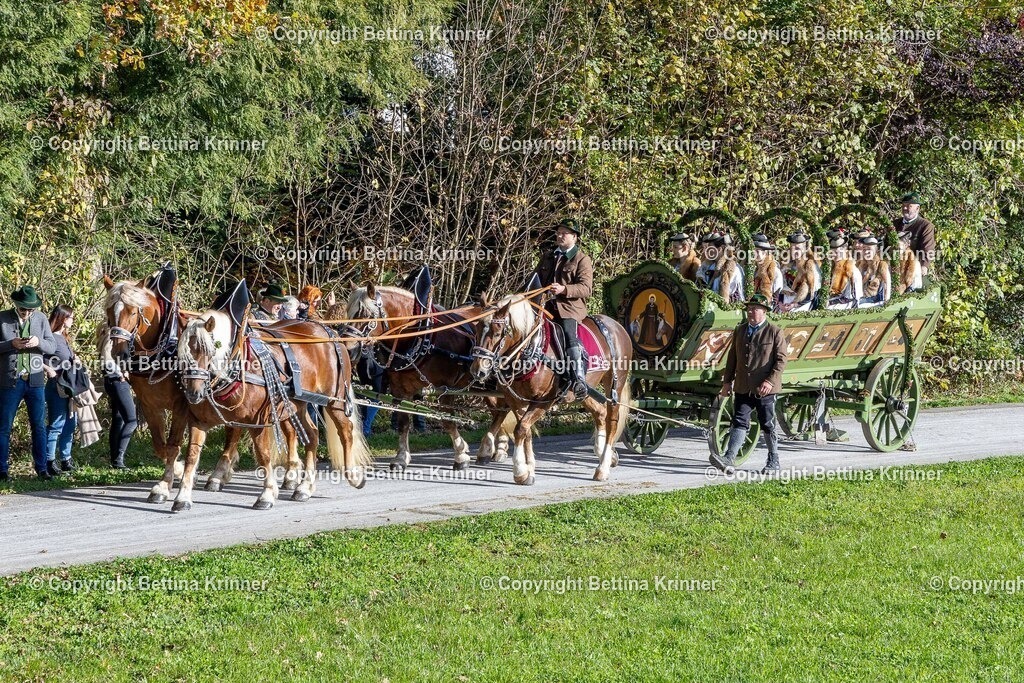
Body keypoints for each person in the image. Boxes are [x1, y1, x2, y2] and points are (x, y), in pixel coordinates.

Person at [711, 294, 786, 475]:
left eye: (755, 309)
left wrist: (769, 381)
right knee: (739, 421)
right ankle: (729, 458)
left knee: (767, 423)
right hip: (743, 386)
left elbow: (781, 361)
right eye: (749, 309)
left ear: (764, 311)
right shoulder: (741, 330)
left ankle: (773, 459)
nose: (751, 312)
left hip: (765, 388)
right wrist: (727, 382)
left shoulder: (775, 332)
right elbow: (732, 358)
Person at [0, 285, 58, 481]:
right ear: (16, 305)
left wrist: (38, 342)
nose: (27, 313)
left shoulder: (41, 319)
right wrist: (11, 344)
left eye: (30, 310)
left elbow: (52, 346)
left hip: (35, 380)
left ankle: (42, 469)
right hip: (10, 381)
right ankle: (2, 470)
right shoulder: (2, 318)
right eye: (23, 309)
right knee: (4, 427)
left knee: (39, 426)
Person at [534, 218, 594, 398]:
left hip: (569, 308)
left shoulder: (582, 259)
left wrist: (564, 289)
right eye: (558, 233)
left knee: (568, 334)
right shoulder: (548, 256)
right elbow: (534, 280)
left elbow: (586, 288)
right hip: (545, 307)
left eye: (564, 233)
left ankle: (578, 379)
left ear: (574, 237)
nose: (560, 236)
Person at [43, 305, 78, 475]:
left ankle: (66, 459)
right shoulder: (49, 337)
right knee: (56, 424)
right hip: (56, 386)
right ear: (64, 318)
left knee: (71, 424)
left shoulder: (64, 337)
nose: (73, 321)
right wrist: (47, 369)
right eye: (71, 317)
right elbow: (34, 356)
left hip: (69, 386)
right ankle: (49, 461)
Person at [101, 332, 137, 470]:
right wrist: (120, 373)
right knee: (132, 420)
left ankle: (115, 459)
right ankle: (119, 459)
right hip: (118, 381)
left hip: (113, 381)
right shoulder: (112, 336)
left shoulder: (112, 335)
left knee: (119, 419)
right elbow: (106, 357)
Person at [893, 192, 936, 275]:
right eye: (903, 205)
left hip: (913, 268)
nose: (905, 208)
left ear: (917, 208)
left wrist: (924, 266)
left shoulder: (926, 226)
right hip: (894, 267)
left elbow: (928, 248)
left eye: (909, 206)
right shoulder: (894, 224)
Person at [777, 232, 821, 312]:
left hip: (802, 304)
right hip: (784, 302)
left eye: (798, 249)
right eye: (792, 248)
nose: (794, 251)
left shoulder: (811, 264)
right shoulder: (785, 264)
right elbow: (779, 286)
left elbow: (813, 292)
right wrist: (779, 302)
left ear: (805, 249)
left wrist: (794, 304)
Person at [695, 232, 744, 303]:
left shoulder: (735, 269)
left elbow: (737, 295)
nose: (707, 250)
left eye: (710, 247)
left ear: (720, 249)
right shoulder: (707, 266)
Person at [826, 231, 863, 309]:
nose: (835, 255)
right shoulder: (834, 268)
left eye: (838, 252)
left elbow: (850, 298)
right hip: (837, 300)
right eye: (833, 252)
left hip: (849, 304)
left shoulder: (851, 270)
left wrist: (830, 302)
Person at [750, 233, 783, 308]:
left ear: (765, 252)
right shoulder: (753, 270)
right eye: (753, 251)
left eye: (757, 251)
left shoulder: (775, 272)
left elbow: (775, 298)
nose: (754, 254)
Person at [858, 235, 891, 307]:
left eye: (869, 249)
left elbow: (887, 285)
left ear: (876, 250)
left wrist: (886, 303)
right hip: (862, 298)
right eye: (864, 249)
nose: (866, 252)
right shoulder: (861, 265)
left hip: (877, 301)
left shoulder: (882, 265)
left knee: (857, 304)